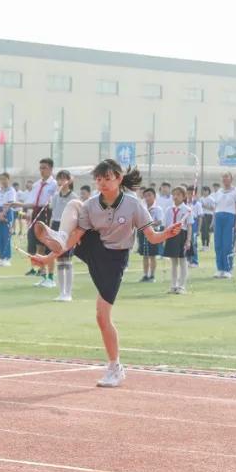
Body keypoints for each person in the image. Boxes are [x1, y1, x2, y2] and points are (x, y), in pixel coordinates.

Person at [30, 159, 182, 388]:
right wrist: (48, 257)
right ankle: (57, 237)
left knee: (102, 317)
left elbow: (152, 236)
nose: (101, 183)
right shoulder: (92, 204)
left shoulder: (133, 204)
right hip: (94, 245)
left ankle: (115, 367)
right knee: (74, 205)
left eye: (107, 179)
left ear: (119, 179)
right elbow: (77, 236)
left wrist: (167, 233)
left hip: (115, 259)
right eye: (98, 179)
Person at [21, 158, 57, 281]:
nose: (42, 170)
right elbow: (31, 201)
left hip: (47, 213)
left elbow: (54, 201)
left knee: (46, 245)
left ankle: (50, 276)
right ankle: (42, 273)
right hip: (36, 213)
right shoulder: (37, 184)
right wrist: (20, 206)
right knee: (35, 244)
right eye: (40, 168)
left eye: (44, 168)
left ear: (51, 169)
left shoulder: (54, 185)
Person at [48, 170, 76, 300]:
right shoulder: (55, 196)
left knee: (67, 260)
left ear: (69, 181)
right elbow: (52, 214)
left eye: (64, 179)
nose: (61, 181)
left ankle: (68, 293)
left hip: (68, 228)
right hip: (56, 227)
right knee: (59, 260)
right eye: (59, 179)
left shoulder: (73, 197)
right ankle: (61, 292)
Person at [213, 172, 236, 278]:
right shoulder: (219, 192)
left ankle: (228, 269)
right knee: (218, 244)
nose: (225, 179)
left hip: (230, 217)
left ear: (231, 179)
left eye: (227, 177)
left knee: (227, 244)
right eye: (223, 177)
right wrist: (213, 221)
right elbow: (215, 207)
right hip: (218, 217)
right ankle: (219, 268)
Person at [163, 187, 191, 294]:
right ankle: (173, 285)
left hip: (182, 236)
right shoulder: (169, 210)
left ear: (184, 197)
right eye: (174, 194)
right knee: (173, 262)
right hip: (171, 235)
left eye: (178, 194)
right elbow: (166, 225)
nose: (175, 197)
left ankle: (182, 286)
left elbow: (189, 226)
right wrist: (165, 237)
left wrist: (188, 240)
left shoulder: (187, 210)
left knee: (183, 261)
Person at [137, 188, 163, 283]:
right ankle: (145, 275)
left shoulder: (157, 209)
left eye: (149, 195)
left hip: (153, 233)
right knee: (145, 255)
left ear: (154, 196)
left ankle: (152, 275)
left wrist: (149, 223)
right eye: (146, 196)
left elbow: (159, 221)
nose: (147, 198)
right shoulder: (142, 208)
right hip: (143, 233)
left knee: (152, 255)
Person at [0, 173, 17, 268]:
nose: (3, 181)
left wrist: (3, 213)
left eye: (4, 179)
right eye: (1, 179)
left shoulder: (11, 190)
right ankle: (1, 257)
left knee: (6, 236)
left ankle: (7, 258)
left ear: (8, 179)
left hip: (7, 212)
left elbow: (10, 203)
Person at [198, 185, 214, 251]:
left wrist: (205, 206)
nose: (205, 192)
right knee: (202, 231)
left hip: (208, 215)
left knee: (207, 231)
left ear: (208, 191)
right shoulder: (200, 199)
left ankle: (207, 245)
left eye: (206, 191)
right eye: (203, 191)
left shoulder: (211, 199)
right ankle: (203, 245)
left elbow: (213, 208)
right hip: (202, 215)